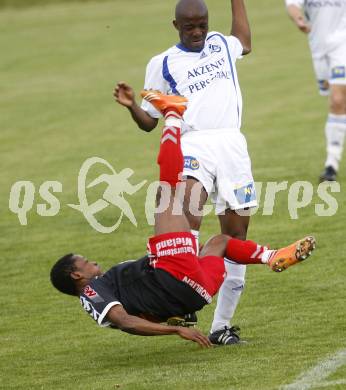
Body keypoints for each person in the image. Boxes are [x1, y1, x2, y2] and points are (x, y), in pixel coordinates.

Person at [50, 92, 316, 348]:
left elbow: (141, 314)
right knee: (167, 193)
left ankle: (272, 256)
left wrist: (175, 316)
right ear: (76, 275)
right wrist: (176, 329)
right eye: (86, 263)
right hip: (173, 275)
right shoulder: (90, 293)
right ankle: (173, 114)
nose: (93, 262)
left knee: (219, 242)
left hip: (198, 292)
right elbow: (125, 322)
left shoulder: (109, 288)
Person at [114, 0, 256, 345]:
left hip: (232, 146)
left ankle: (222, 326)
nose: (197, 33)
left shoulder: (221, 43)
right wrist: (133, 105)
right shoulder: (162, 62)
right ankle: (182, 297)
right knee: (186, 218)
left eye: (202, 25)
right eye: (189, 27)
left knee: (235, 239)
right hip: (193, 145)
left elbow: (245, 41)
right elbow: (150, 121)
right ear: (175, 25)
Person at [285, 0, 346, 181]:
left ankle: (331, 164)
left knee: (337, 100)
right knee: (337, 100)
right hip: (318, 47)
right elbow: (292, 5)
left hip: (342, 44)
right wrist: (298, 19)